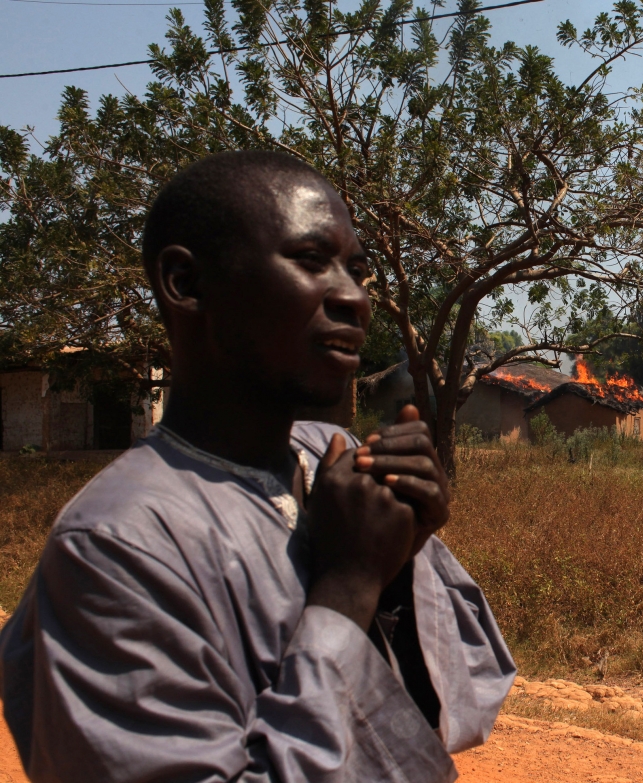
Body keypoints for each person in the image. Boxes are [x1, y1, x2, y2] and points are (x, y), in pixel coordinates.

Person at [0, 151, 515, 782]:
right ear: (186, 283)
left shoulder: (331, 458)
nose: (355, 297)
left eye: (357, 270)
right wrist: (348, 586)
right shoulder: (117, 549)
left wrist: (398, 563)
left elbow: (459, 711)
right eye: (310, 260)